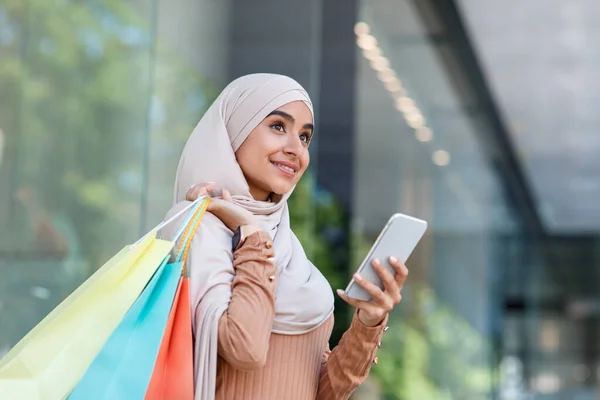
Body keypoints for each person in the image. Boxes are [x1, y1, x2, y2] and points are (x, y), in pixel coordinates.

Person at [163, 73, 409, 400]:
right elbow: (245, 348)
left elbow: (321, 391)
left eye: (305, 137)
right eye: (279, 126)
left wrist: (368, 322)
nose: (296, 150)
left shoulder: (286, 245)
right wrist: (250, 232)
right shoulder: (199, 227)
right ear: (235, 130)